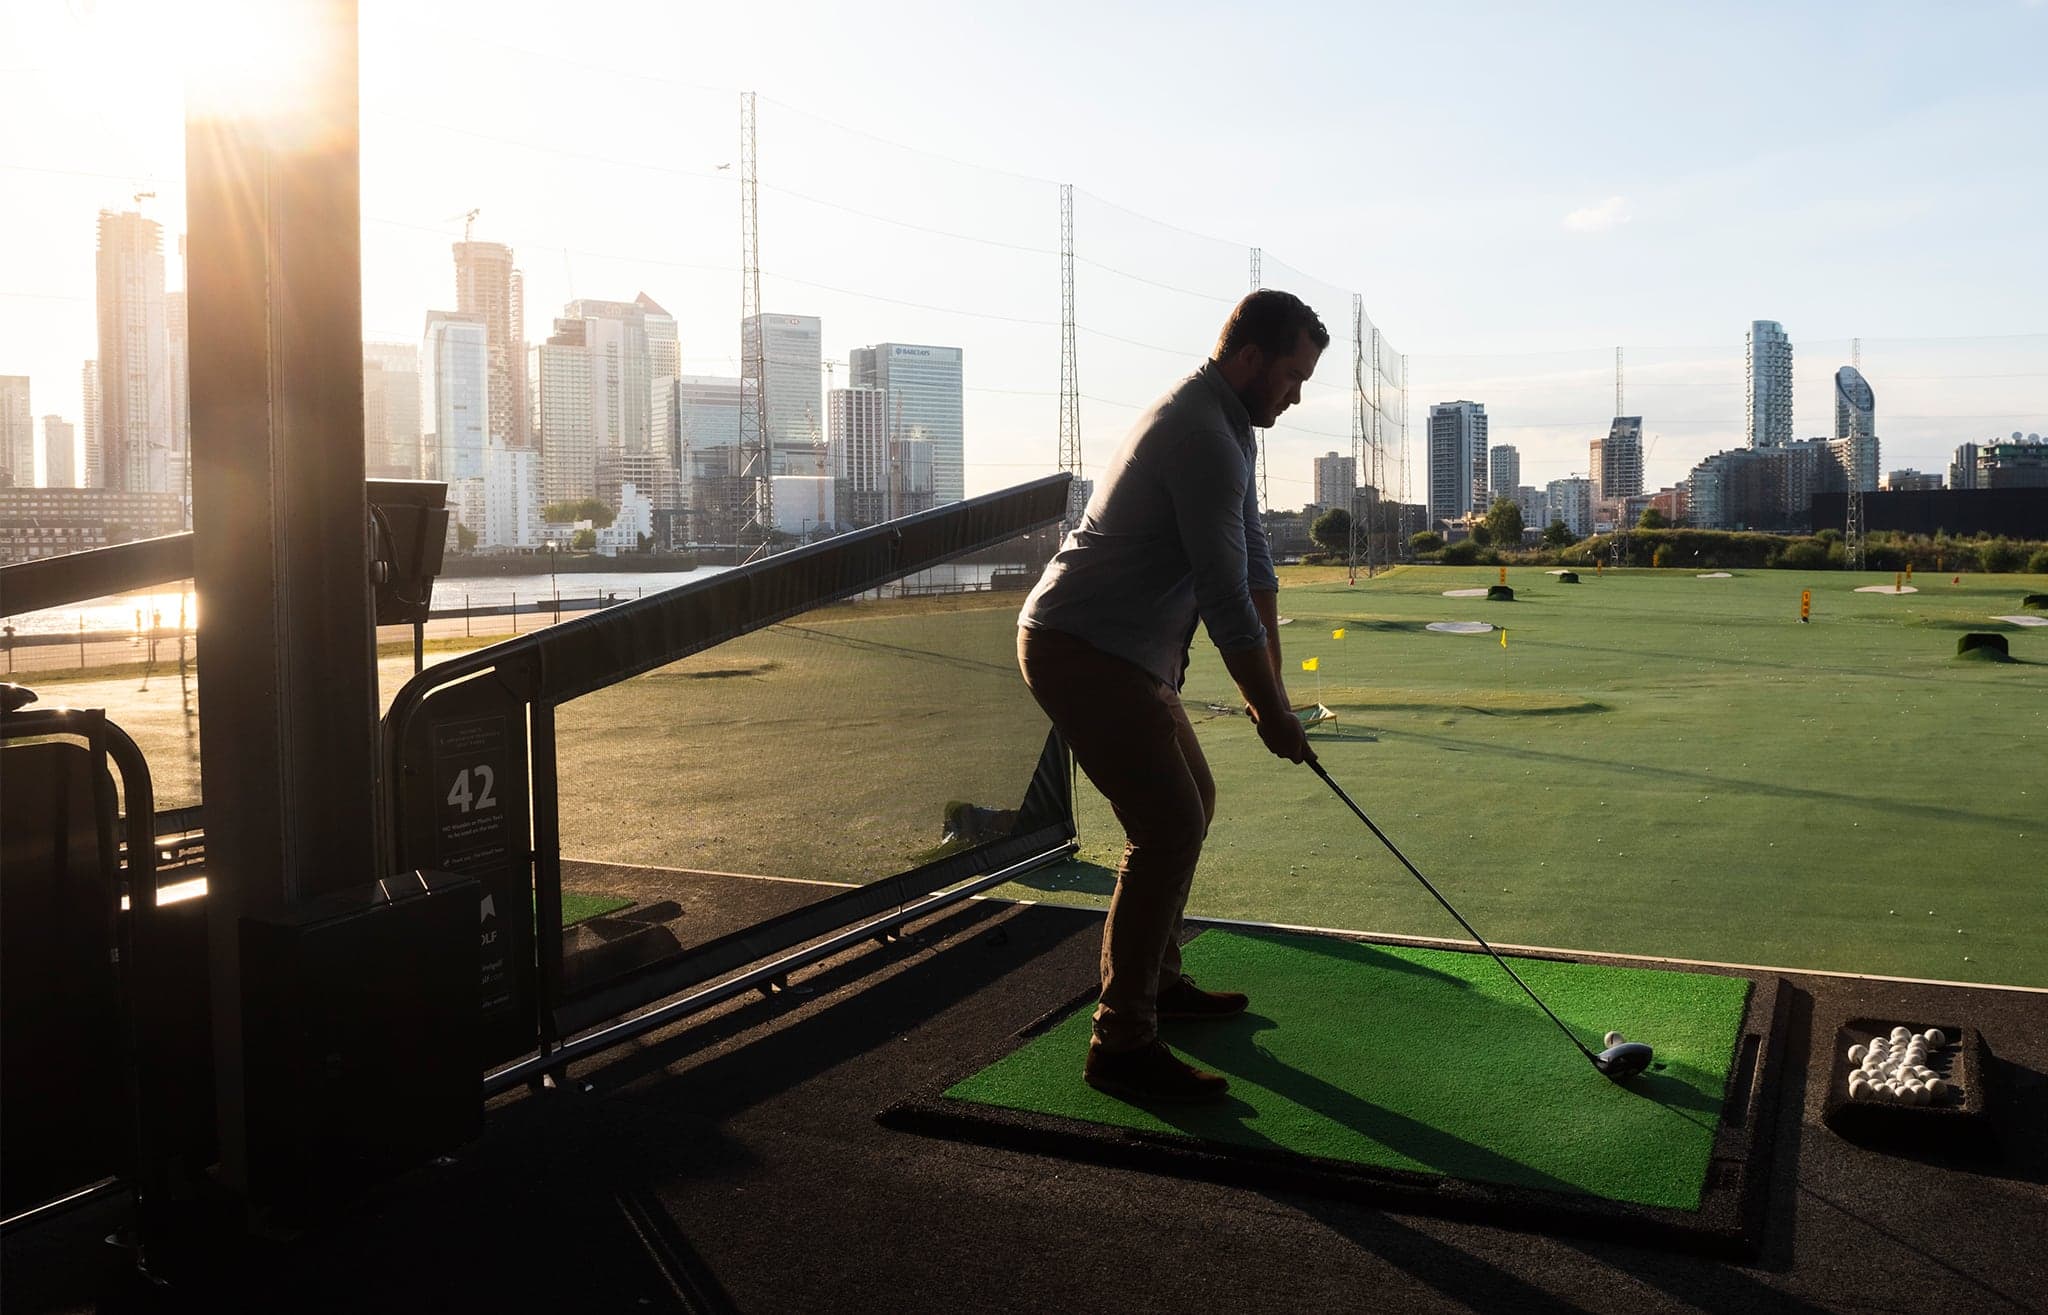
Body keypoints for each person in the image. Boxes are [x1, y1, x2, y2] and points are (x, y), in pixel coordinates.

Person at [1017, 289, 1326, 1104]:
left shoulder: (1229, 427)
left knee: (1197, 798)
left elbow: (1256, 566)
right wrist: (1267, 710)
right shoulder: (1202, 433)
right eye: (1292, 376)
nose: (1296, 397)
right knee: (1169, 822)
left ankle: (1157, 981)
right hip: (1080, 645)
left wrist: (1277, 698)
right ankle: (1121, 1041)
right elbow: (1225, 602)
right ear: (1251, 357)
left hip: (1125, 650)